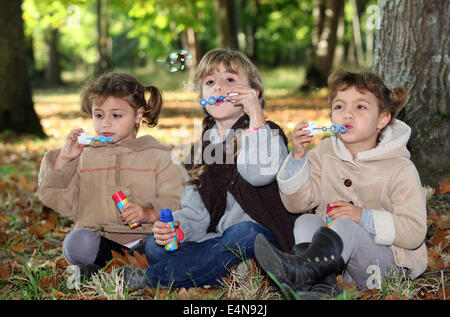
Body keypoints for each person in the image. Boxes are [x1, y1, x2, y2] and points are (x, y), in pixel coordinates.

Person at [122, 48, 297, 289]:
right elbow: (195, 215)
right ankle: (229, 268)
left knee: (245, 233)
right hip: (216, 240)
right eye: (210, 82)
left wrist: (256, 116)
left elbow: (258, 175)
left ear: (254, 92)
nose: (219, 87)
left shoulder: (267, 134)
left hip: (262, 238)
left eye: (230, 80)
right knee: (155, 246)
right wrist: (177, 231)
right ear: (203, 96)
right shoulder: (197, 153)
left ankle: (154, 278)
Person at [254, 70, 428, 297]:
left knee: (346, 224)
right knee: (307, 220)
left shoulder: (400, 168)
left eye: (360, 107)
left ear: (382, 119)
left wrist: (362, 217)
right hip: (341, 268)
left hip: (386, 266)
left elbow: (414, 231)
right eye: (339, 107)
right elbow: (296, 204)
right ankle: (319, 289)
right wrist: (298, 158)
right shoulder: (325, 153)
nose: (347, 115)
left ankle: (301, 273)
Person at [38, 72, 184, 275]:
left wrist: (147, 213)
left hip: (145, 240)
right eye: (99, 115)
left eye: (116, 115)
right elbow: (58, 201)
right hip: (100, 243)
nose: (105, 123)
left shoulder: (160, 156)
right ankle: (119, 269)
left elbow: (177, 200)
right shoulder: (87, 156)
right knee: (75, 242)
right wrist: (64, 159)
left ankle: (103, 271)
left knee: (162, 246)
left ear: (138, 115)